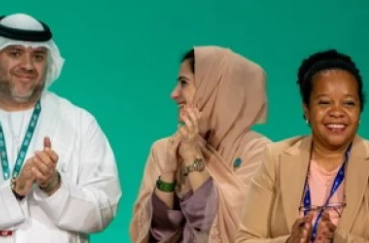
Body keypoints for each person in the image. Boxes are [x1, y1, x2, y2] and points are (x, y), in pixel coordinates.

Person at [0, 13, 121, 243]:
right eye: (15, 53)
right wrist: (13, 190)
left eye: (38, 56)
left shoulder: (80, 124)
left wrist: (55, 186)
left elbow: (104, 209)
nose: (28, 66)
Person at [128, 46, 270, 243]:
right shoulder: (164, 150)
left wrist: (191, 156)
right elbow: (147, 235)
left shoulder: (259, 152)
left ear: (215, 89)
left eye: (184, 83)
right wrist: (168, 173)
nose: (174, 94)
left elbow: (235, 226)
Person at [239, 49, 369, 243]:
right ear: (307, 110)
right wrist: (289, 241)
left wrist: (338, 239)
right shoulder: (276, 158)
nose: (337, 112)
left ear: (360, 111)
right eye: (324, 103)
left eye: (348, 103)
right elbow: (245, 240)